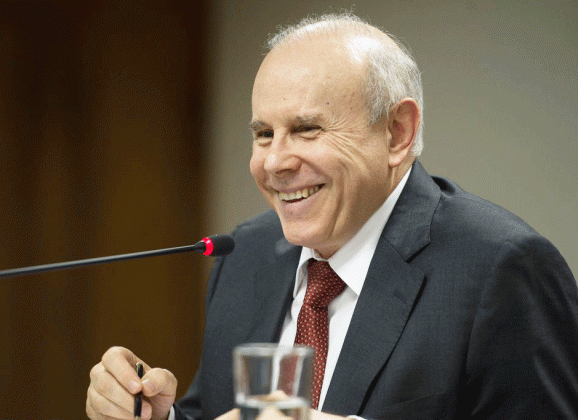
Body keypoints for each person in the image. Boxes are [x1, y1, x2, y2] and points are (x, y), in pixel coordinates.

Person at [86, 13, 578, 420]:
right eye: (263, 134)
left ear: (397, 133)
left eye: (306, 129)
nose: (275, 162)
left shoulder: (502, 270)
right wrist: (159, 416)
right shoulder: (246, 254)